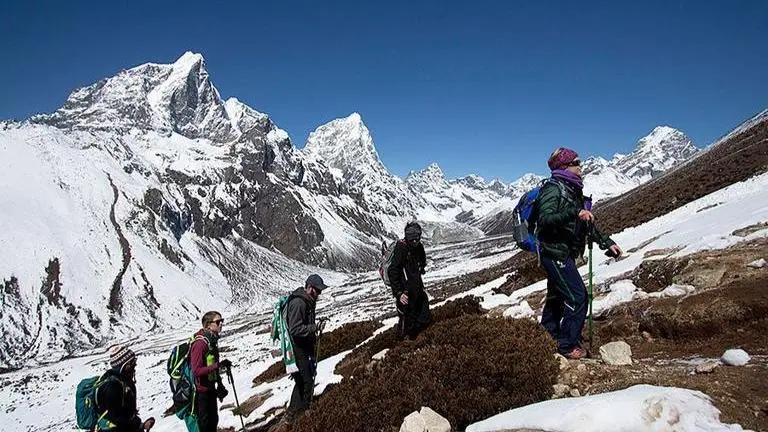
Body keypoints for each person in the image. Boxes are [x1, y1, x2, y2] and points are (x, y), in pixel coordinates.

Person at [536, 147, 623, 359]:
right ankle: (566, 346)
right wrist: (574, 212)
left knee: (557, 297)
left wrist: (606, 242)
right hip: (554, 253)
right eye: (576, 163)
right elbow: (545, 220)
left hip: (563, 252)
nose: (581, 166)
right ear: (564, 167)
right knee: (577, 297)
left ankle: (546, 338)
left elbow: (584, 224)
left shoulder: (572, 189)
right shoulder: (553, 189)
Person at [283, 274, 327, 422]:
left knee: (302, 381)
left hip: (304, 346)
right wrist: (314, 327)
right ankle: (302, 416)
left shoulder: (307, 300)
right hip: (298, 349)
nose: (319, 294)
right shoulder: (299, 303)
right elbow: (295, 329)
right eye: (318, 290)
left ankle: (293, 413)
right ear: (309, 288)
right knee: (307, 381)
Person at [95, 345, 155, 431]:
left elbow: (127, 416)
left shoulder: (124, 382)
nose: (135, 364)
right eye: (133, 361)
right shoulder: (112, 387)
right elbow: (117, 421)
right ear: (125, 365)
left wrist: (141, 425)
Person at [190, 311, 231, 432]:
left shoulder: (211, 341)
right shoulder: (200, 344)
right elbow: (196, 371)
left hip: (210, 389)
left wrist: (219, 383)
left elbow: (211, 365)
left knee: (212, 423)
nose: (221, 324)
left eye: (221, 321)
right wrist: (217, 366)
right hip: (201, 393)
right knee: (206, 426)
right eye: (218, 322)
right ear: (208, 325)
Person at [388, 221, 430, 340]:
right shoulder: (401, 248)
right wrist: (399, 293)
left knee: (423, 315)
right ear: (407, 237)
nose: (415, 242)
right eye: (412, 239)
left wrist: (421, 268)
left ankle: (417, 340)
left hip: (417, 288)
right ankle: (402, 346)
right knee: (406, 320)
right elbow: (393, 271)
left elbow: (422, 261)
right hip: (405, 292)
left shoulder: (418, 246)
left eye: (417, 238)